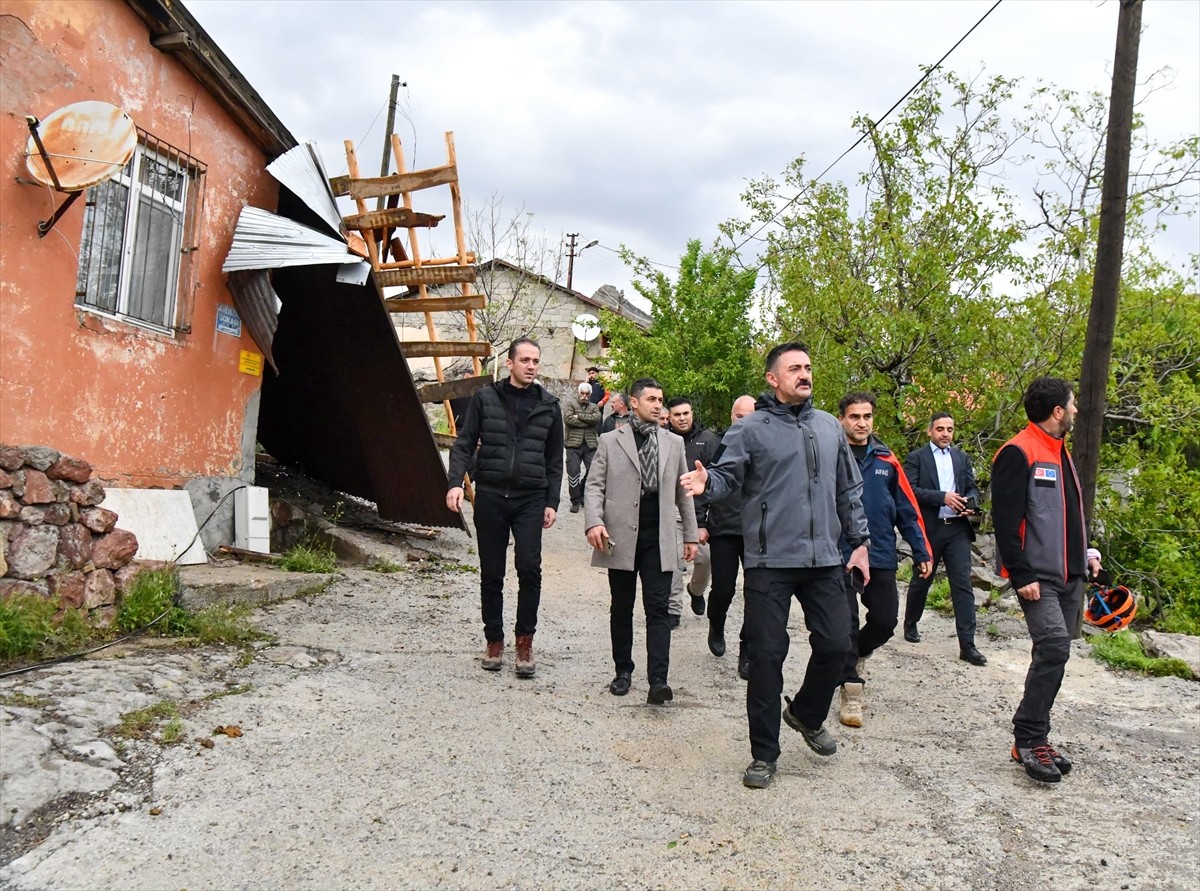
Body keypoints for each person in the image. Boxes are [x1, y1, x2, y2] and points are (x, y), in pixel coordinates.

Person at [681, 343, 870, 790]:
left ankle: (804, 712)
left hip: (824, 557)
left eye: (808, 367)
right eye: (795, 369)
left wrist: (860, 542)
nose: (805, 374)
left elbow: (849, 490)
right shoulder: (750, 429)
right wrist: (708, 482)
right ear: (773, 378)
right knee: (766, 657)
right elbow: (726, 478)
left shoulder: (828, 427)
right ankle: (764, 754)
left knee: (838, 644)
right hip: (769, 560)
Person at [446, 337, 563, 678]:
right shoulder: (486, 398)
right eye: (525, 360)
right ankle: (494, 640)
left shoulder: (549, 406)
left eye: (536, 361)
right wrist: (456, 482)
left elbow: (555, 460)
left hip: (530, 498)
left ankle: (524, 642)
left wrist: (552, 502)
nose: (531, 366)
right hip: (493, 496)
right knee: (492, 572)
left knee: (529, 568)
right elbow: (463, 444)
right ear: (510, 363)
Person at [992, 376, 1086, 784]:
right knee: (1052, 647)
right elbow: (1006, 520)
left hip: (1069, 574)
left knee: (1055, 654)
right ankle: (1029, 738)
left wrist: (1088, 555)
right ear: (1058, 411)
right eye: (1073, 403)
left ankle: (1034, 736)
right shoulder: (1018, 451)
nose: (1078, 410)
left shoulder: (1061, 451)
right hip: (1038, 578)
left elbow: (1064, 514)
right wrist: (1020, 573)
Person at [585, 378, 698, 705]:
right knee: (621, 606)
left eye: (660, 399)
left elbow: (683, 493)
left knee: (658, 608)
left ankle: (658, 680)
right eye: (651, 399)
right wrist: (594, 521)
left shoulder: (673, 442)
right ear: (633, 402)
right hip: (619, 535)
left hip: (658, 535)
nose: (657, 404)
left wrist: (690, 534)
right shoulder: (610, 440)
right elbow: (594, 486)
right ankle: (623, 671)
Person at [835, 392, 933, 728]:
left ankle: (857, 656)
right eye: (854, 417)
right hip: (840, 554)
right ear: (842, 419)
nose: (861, 423)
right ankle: (851, 692)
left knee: (885, 620)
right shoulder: (832, 454)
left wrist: (922, 550)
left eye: (867, 417)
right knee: (844, 624)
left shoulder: (887, 461)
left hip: (880, 553)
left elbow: (908, 509)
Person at [901, 412, 987, 666]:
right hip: (930, 527)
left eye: (949, 429)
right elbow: (909, 490)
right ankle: (911, 623)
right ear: (930, 431)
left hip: (957, 528)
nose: (945, 434)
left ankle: (967, 645)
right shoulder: (917, 458)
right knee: (922, 579)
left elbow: (972, 489)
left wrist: (969, 503)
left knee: (963, 585)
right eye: (940, 429)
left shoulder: (962, 458)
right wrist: (942, 497)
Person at [705, 395, 756, 679]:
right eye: (740, 416)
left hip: (757, 532)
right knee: (724, 589)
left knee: (757, 595)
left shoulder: (766, 444)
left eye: (750, 415)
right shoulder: (717, 444)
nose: (745, 421)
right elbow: (701, 482)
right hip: (723, 528)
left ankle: (747, 649)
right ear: (731, 416)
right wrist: (700, 523)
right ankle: (717, 623)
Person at [666, 396, 720, 625]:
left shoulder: (708, 441)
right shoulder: (663, 439)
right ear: (669, 417)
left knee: (705, 560)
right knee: (675, 563)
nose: (682, 418)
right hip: (672, 513)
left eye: (685, 413)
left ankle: (696, 591)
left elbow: (716, 481)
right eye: (677, 414)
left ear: (692, 414)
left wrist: (704, 523)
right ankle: (673, 611)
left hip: (699, 515)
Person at [564, 382, 601, 513]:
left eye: (587, 394)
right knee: (573, 473)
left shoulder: (594, 406)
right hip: (573, 445)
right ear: (578, 393)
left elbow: (596, 419)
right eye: (582, 393)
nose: (584, 396)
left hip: (590, 445)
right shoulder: (570, 404)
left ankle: (582, 493)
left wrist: (579, 416)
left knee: (593, 471)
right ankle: (574, 500)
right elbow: (568, 419)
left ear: (590, 395)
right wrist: (588, 422)